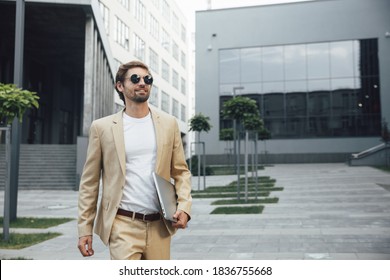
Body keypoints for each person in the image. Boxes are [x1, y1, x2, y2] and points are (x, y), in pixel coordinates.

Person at [77, 60, 192, 260]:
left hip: (160, 225)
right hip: (122, 224)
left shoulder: (168, 124)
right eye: (135, 79)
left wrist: (184, 207)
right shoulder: (102, 127)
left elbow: (181, 171)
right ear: (120, 86)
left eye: (147, 79)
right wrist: (84, 229)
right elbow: (90, 183)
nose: (142, 83)